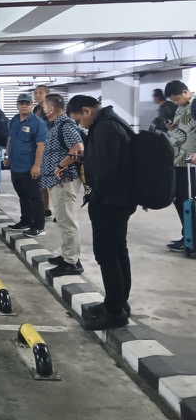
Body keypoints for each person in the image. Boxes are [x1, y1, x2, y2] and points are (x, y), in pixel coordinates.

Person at [67, 95, 135, 330]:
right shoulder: (114, 121)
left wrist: (95, 197)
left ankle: (115, 313)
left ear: (86, 111)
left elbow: (107, 169)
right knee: (118, 251)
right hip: (120, 199)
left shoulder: (105, 127)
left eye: (78, 120)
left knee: (107, 255)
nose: (80, 125)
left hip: (110, 201)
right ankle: (117, 303)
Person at [40, 93, 85, 276]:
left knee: (67, 221)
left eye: (44, 106)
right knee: (63, 220)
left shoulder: (65, 125)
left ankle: (72, 262)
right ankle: (68, 255)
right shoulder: (56, 126)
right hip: (57, 182)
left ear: (51, 108)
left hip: (65, 181)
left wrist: (60, 165)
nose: (42, 109)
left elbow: (78, 148)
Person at [4, 93, 48, 237]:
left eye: (27, 103)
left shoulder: (37, 123)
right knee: (22, 195)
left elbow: (41, 146)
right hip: (15, 166)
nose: (24, 106)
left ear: (31, 105)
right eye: (21, 103)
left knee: (35, 197)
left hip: (29, 167)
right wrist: (7, 156)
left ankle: (39, 226)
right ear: (17, 105)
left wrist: (37, 166)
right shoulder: (14, 121)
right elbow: (10, 139)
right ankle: (25, 221)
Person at [163, 80, 196, 252]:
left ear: (185, 92)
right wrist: (172, 129)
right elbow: (184, 133)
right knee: (181, 199)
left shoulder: (195, 104)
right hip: (179, 160)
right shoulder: (181, 108)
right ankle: (188, 236)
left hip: (191, 163)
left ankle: (191, 239)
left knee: (189, 200)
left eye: (176, 99)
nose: (175, 103)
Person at [32, 85, 53, 220]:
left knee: (54, 181)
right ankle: (45, 208)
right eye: (35, 93)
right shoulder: (36, 110)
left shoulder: (51, 109)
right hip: (40, 147)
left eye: (40, 93)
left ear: (47, 94)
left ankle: (58, 210)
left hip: (51, 147)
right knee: (42, 180)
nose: (37, 95)